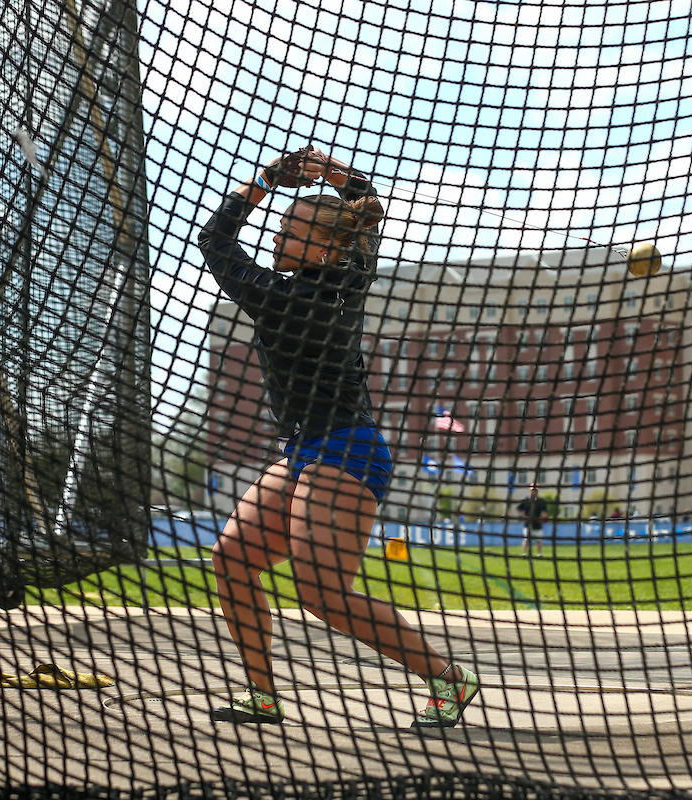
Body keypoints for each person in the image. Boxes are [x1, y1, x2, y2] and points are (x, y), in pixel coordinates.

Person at [197, 146, 478, 728]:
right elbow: (365, 204)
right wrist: (331, 175)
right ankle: (262, 694)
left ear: (324, 247)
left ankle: (448, 679)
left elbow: (215, 239)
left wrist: (267, 180)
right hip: (305, 449)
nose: (276, 239)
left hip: (344, 449)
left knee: (322, 595)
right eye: (280, 227)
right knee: (232, 558)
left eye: (289, 232)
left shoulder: (280, 295)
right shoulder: (354, 272)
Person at [516, 483, 549, 557]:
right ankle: (524, 554)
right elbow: (518, 509)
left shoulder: (541, 501)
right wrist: (524, 516)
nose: (534, 492)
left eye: (535, 490)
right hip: (528, 523)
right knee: (526, 539)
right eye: (532, 490)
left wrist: (543, 516)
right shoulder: (526, 500)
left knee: (539, 540)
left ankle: (539, 554)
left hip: (537, 523)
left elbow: (546, 510)